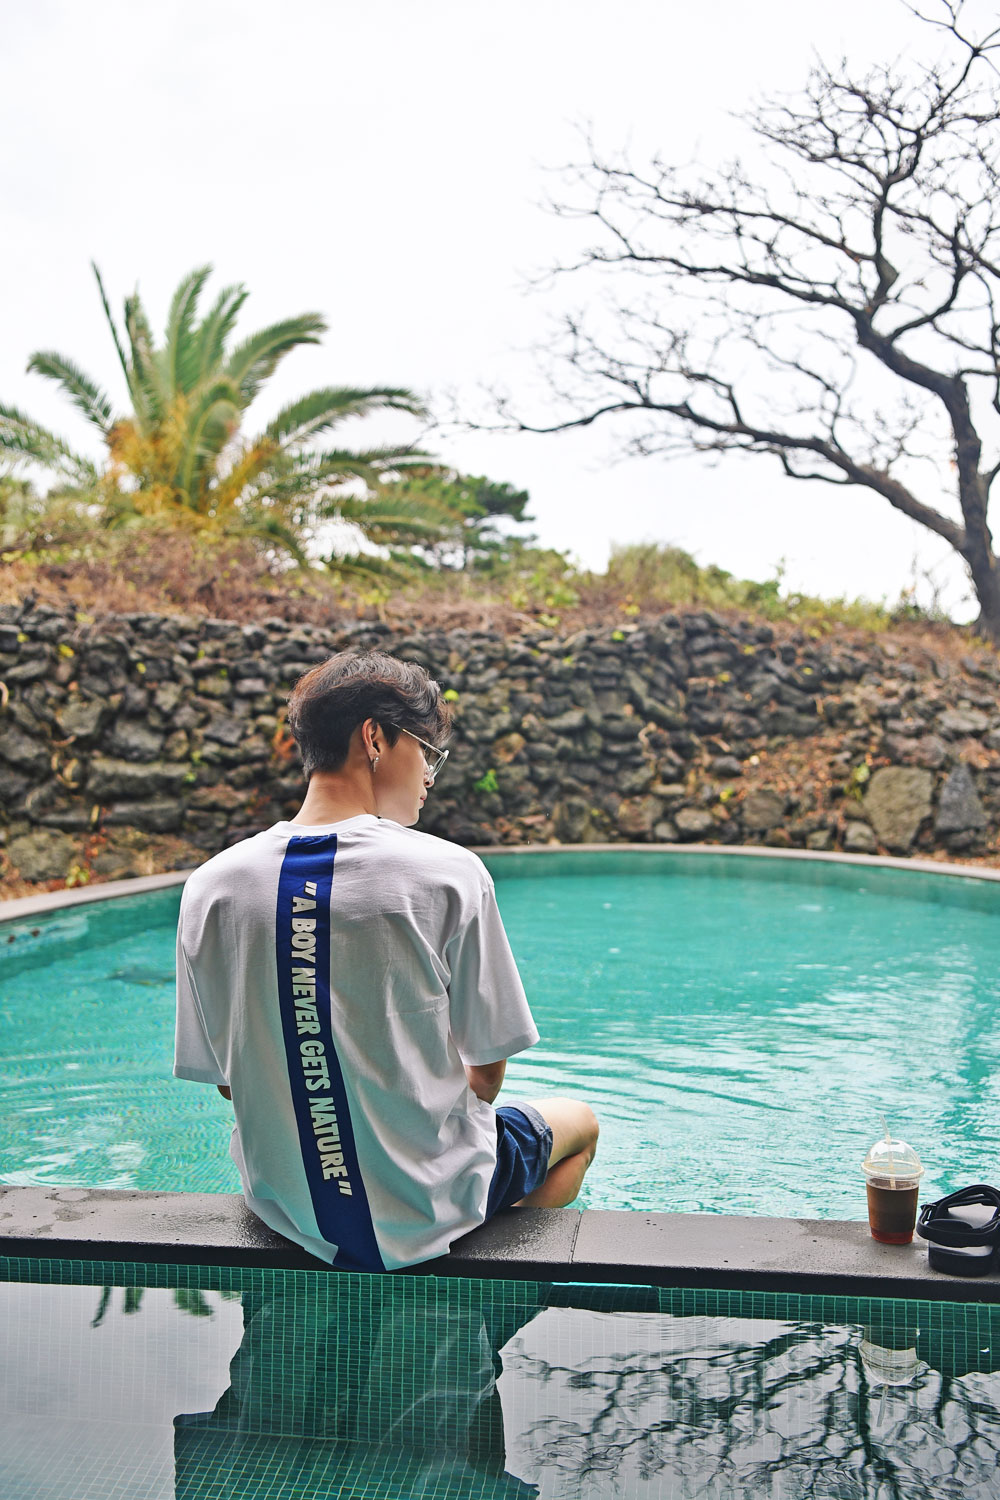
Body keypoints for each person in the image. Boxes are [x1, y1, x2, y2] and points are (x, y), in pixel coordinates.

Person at [174, 649, 598, 1271]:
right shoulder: (448, 874)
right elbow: (486, 1076)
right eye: (427, 752)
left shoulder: (211, 888)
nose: (430, 775)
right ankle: (485, 1282)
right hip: (424, 1203)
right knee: (579, 1125)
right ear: (374, 738)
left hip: (290, 1207)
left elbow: (228, 1082)